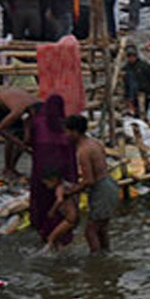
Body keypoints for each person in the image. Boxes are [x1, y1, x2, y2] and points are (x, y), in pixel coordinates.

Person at [27, 94, 76, 244]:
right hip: (60, 175)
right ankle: (59, 238)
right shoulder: (65, 127)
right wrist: (72, 178)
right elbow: (70, 154)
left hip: (41, 173)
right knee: (61, 207)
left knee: (42, 203)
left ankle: (44, 234)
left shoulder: (37, 123)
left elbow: (30, 142)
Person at [65, 115, 116, 254]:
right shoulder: (95, 142)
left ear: (75, 132)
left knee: (90, 231)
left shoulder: (83, 151)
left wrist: (71, 191)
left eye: (67, 131)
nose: (66, 135)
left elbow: (89, 180)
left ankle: (97, 261)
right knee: (102, 227)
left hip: (101, 189)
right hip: (109, 184)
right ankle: (106, 253)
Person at [41, 167, 78, 252]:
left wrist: (52, 211)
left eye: (47, 184)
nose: (47, 187)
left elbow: (59, 200)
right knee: (59, 238)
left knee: (51, 237)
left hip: (69, 219)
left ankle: (43, 254)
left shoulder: (59, 188)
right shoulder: (68, 185)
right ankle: (60, 254)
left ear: (54, 180)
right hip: (74, 217)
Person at [123, 46, 150, 122]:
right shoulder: (127, 68)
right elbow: (126, 82)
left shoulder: (143, 66)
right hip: (133, 93)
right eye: (129, 57)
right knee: (135, 111)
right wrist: (127, 95)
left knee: (143, 111)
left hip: (144, 92)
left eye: (133, 56)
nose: (131, 59)